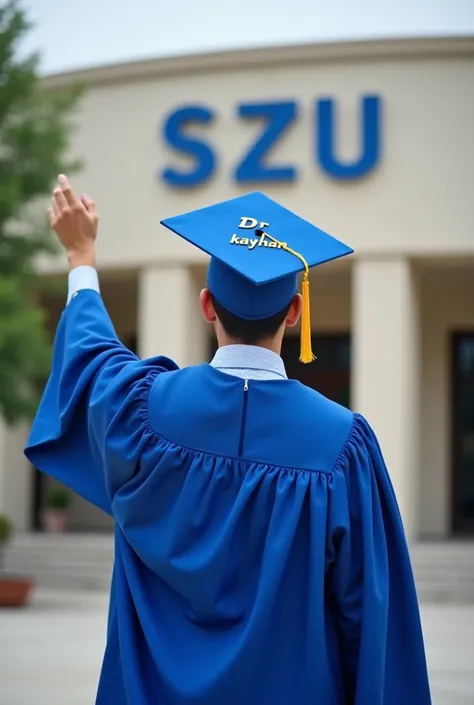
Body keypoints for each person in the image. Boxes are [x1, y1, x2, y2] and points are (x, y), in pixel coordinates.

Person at [25, 175, 432, 705]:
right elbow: (371, 619)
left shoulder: (141, 411)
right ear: (294, 312)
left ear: (207, 305)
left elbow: (91, 354)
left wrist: (82, 255)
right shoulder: (340, 446)